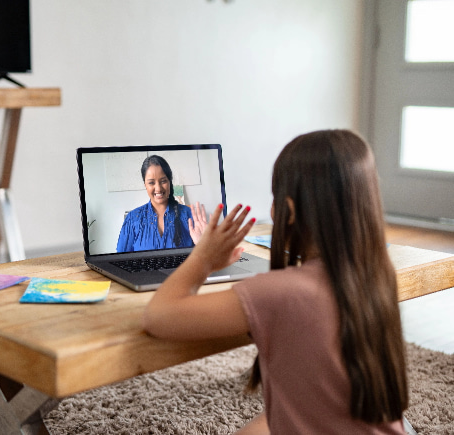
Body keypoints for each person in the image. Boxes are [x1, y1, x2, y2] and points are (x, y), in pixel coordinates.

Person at [143, 130, 408, 434]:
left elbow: (158, 316)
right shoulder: (375, 278)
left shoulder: (280, 293)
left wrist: (202, 257)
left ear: (289, 211)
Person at [116, 154, 208, 252]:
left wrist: (203, 245)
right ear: (145, 185)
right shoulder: (132, 219)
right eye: (151, 183)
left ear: (169, 182)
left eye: (163, 181)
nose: (158, 188)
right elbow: (121, 261)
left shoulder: (189, 215)